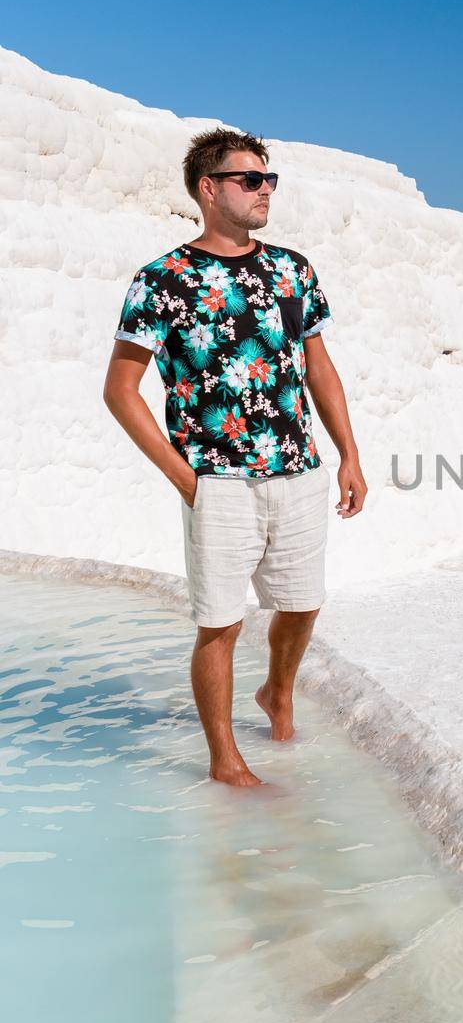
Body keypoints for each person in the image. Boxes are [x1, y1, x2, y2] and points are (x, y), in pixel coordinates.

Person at [104, 129, 368, 788]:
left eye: (268, 179)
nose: (264, 190)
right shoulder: (162, 280)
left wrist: (349, 454)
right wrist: (184, 476)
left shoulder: (292, 269)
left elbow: (319, 368)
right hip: (215, 481)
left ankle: (275, 691)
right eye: (249, 180)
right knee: (219, 625)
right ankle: (226, 763)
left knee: (303, 605)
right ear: (209, 188)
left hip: (298, 470)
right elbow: (120, 388)